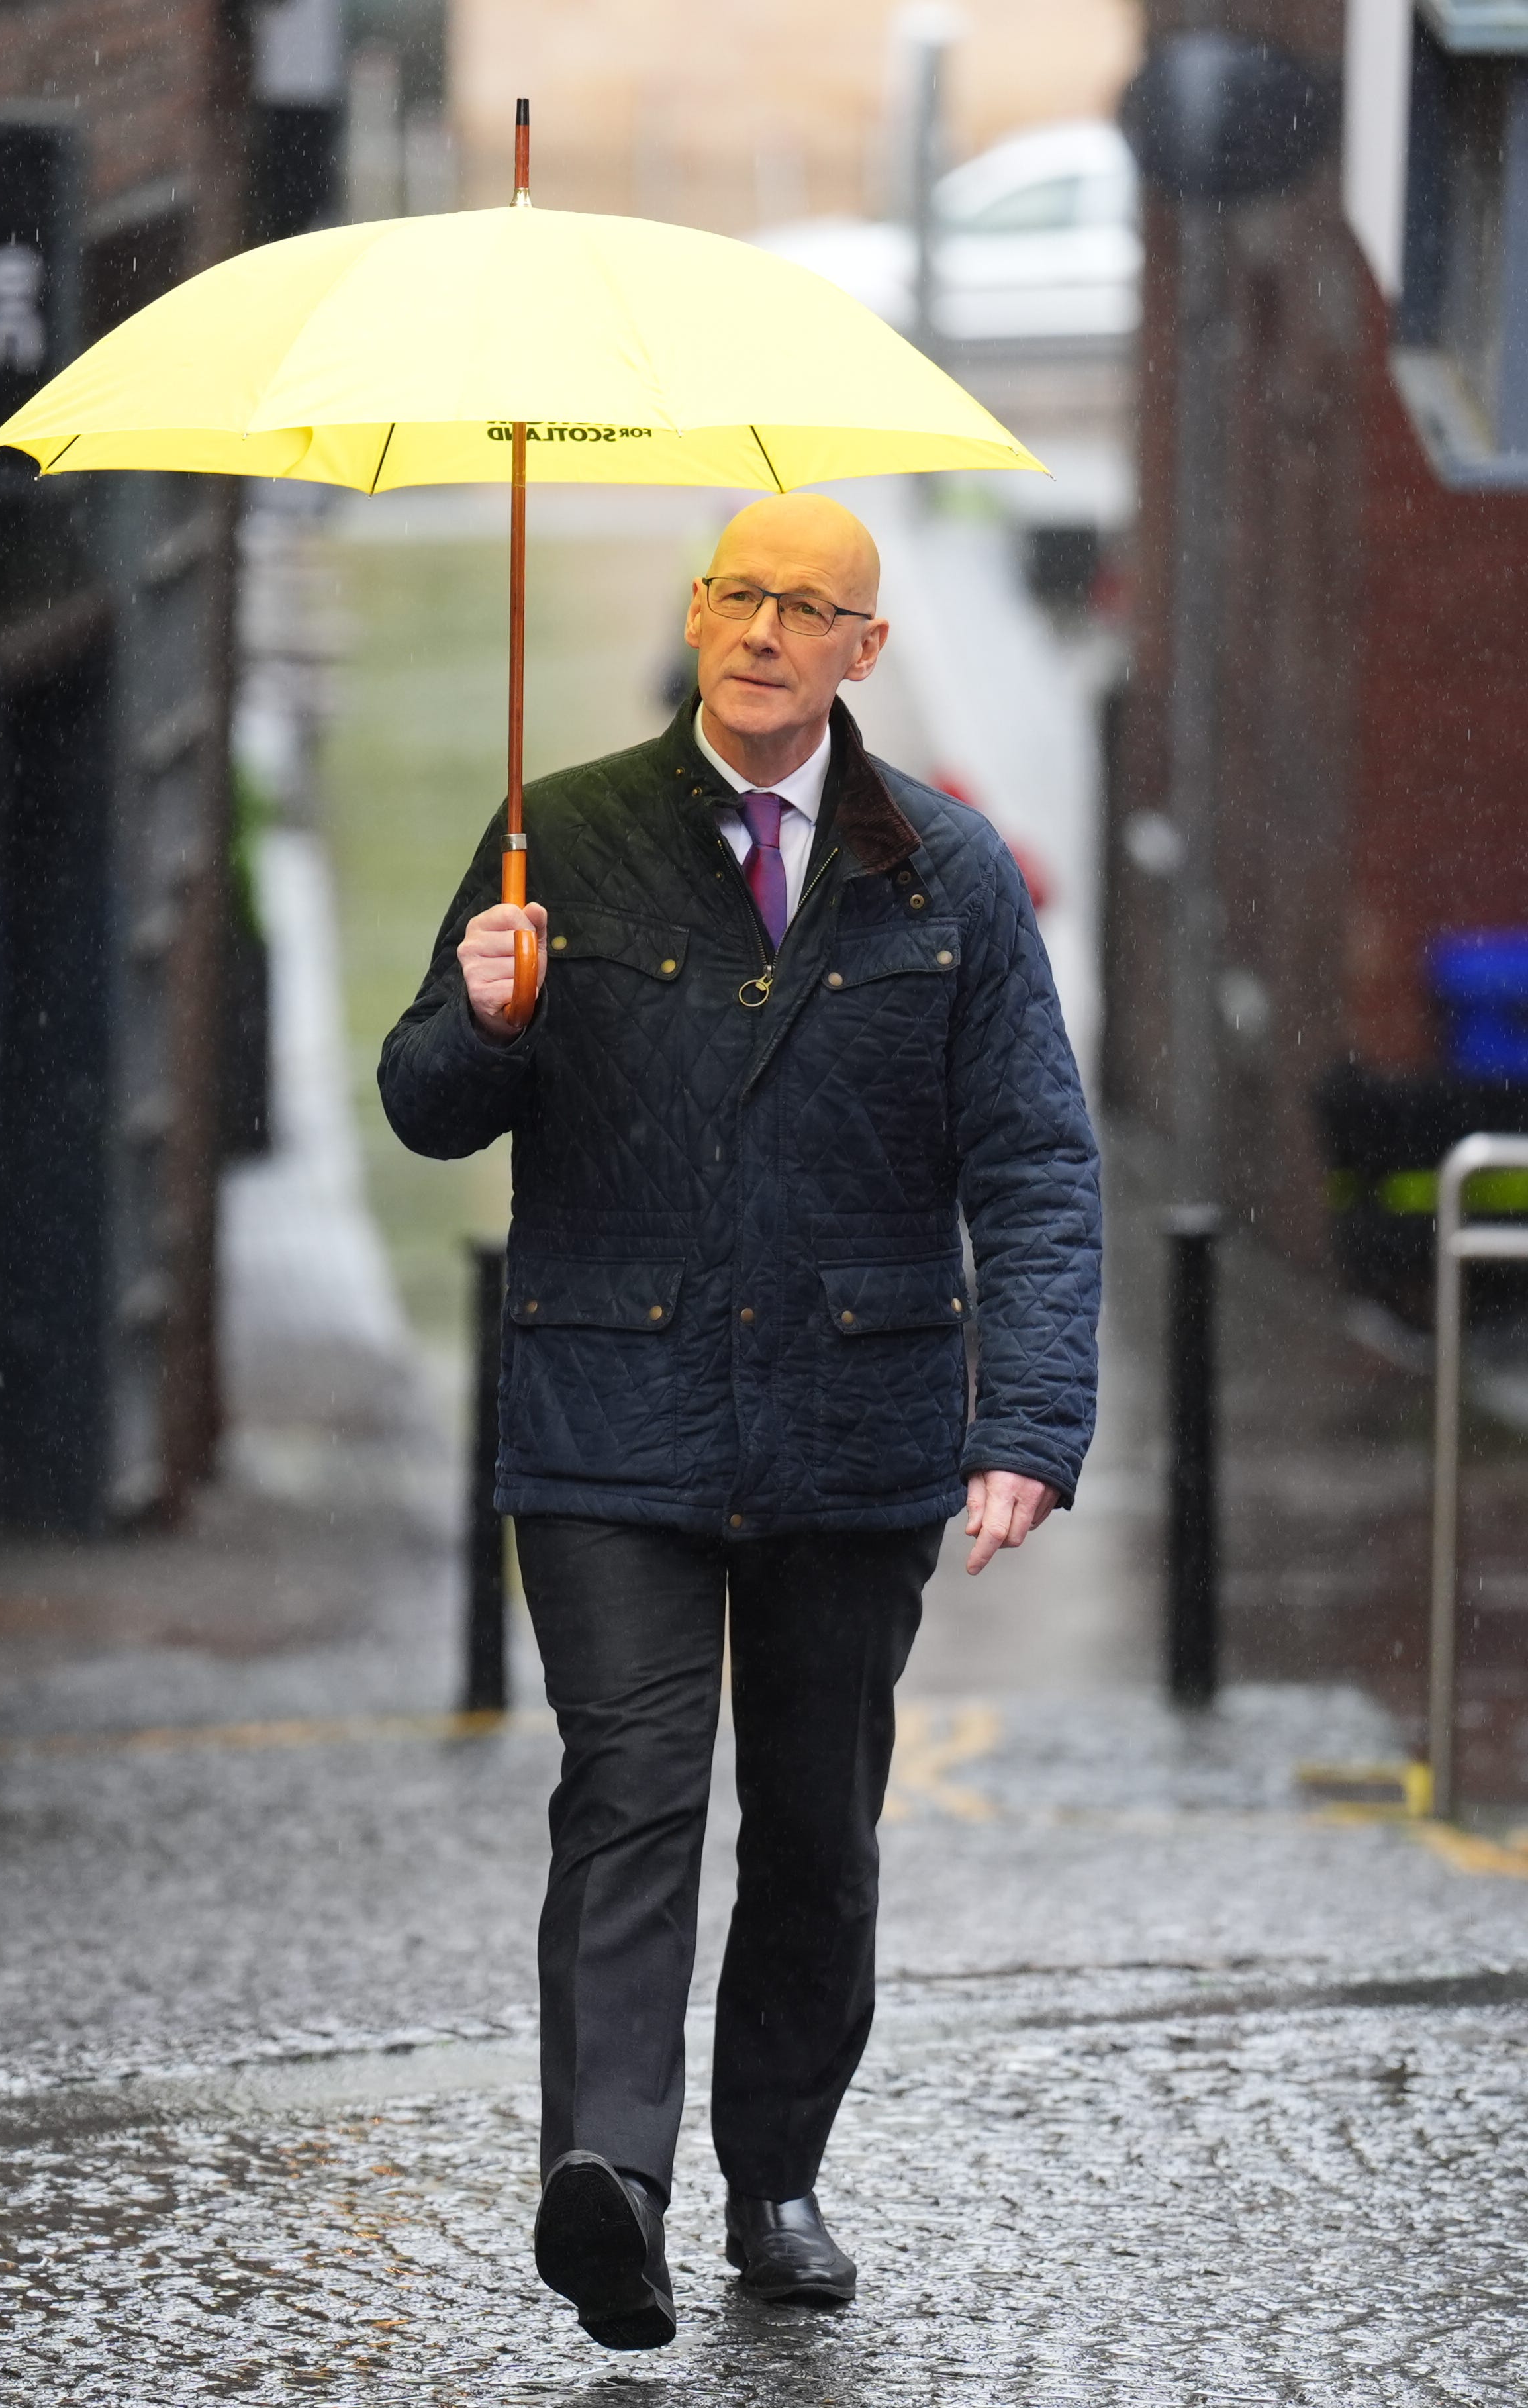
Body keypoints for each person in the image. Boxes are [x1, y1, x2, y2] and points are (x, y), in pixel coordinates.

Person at [380, 492, 1102, 2350]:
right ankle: (605, 2183)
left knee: (815, 1824)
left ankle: (771, 2172)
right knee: (630, 1787)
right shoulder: (569, 837)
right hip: (611, 1398)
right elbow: (428, 1106)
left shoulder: (946, 873)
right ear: (697, 616)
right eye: (738, 595)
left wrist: (1024, 1419)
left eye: (809, 606)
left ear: (868, 649)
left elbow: (1031, 1164)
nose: (765, 629)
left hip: (853, 1420)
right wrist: (481, 1015)